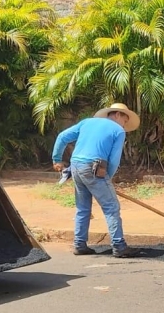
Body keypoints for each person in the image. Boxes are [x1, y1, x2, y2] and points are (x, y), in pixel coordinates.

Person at [52, 103, 141, 258]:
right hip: (93, 168)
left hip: (76, 166)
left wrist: (56, 159)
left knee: (83, 207)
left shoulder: (87, 122)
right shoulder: (118, 131)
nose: (124, 125)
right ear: (118, 114)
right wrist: (108, 179)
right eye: (125, 120)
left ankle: (80, 244)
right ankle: (119, 246)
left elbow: (62, 137)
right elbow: (114, 160)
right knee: (111, 207)